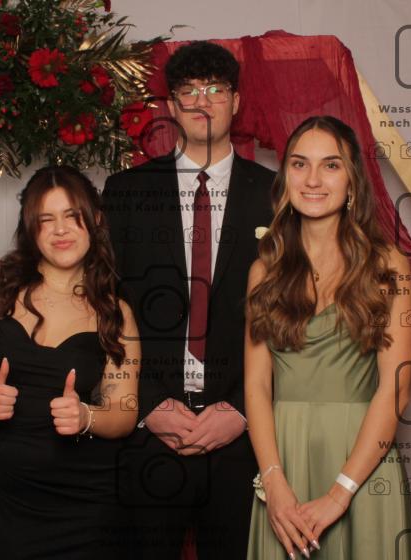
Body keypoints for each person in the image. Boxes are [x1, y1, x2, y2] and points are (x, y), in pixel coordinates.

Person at [102, 41, 274, 559]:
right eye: (189, 90)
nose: (202, 100)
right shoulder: (126, 193)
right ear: (171, 106)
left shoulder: (278, 195)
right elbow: (104, 307)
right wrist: (147, 403)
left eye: (215, 89)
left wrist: (242, 410)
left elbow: (295, 317)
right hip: (151, 431)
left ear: (236, 102)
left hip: (244, 435)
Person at [0, 165, 140, 560]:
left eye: (72, 216)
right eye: (46, 220)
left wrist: (86, 416)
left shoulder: (116, 313)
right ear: (30, 228)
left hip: (88, 498)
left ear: (96, 220)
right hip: (6, 493)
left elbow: (124, 409)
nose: (60, 230)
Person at [244, 115, 411, 559]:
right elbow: (257, 386)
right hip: (283, 465)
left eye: (331, 165)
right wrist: (274, 485)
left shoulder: (386, 266)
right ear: (286, 178)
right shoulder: (264, 270)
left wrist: (341, 493)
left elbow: (395, 387)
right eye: (300, 164)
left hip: (361, 465)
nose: (313, 180)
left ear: (352, 180)